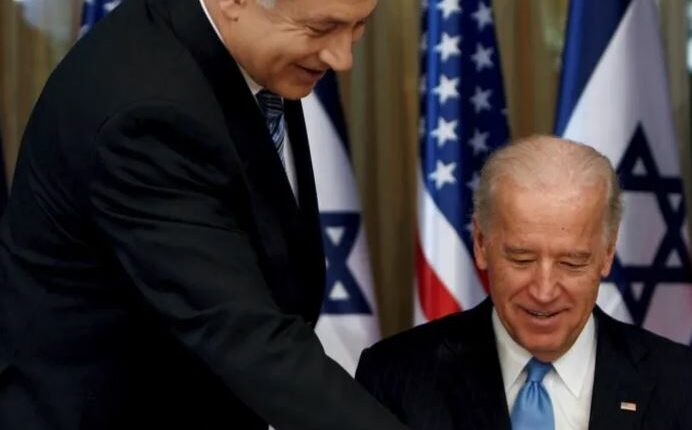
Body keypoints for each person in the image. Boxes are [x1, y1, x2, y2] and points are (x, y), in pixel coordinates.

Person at [0, 0, 409, 429]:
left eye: (358, 27)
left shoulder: (243, 49)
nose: (342, 58)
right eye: (320, 29)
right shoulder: (148, 112)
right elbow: (243, 335)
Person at [355, 135, 692, 430]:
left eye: (571, 263)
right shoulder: (396, 378)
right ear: (481, 243)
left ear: (607, 253)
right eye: (521, 259)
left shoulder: (680, 383)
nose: (544, 292)